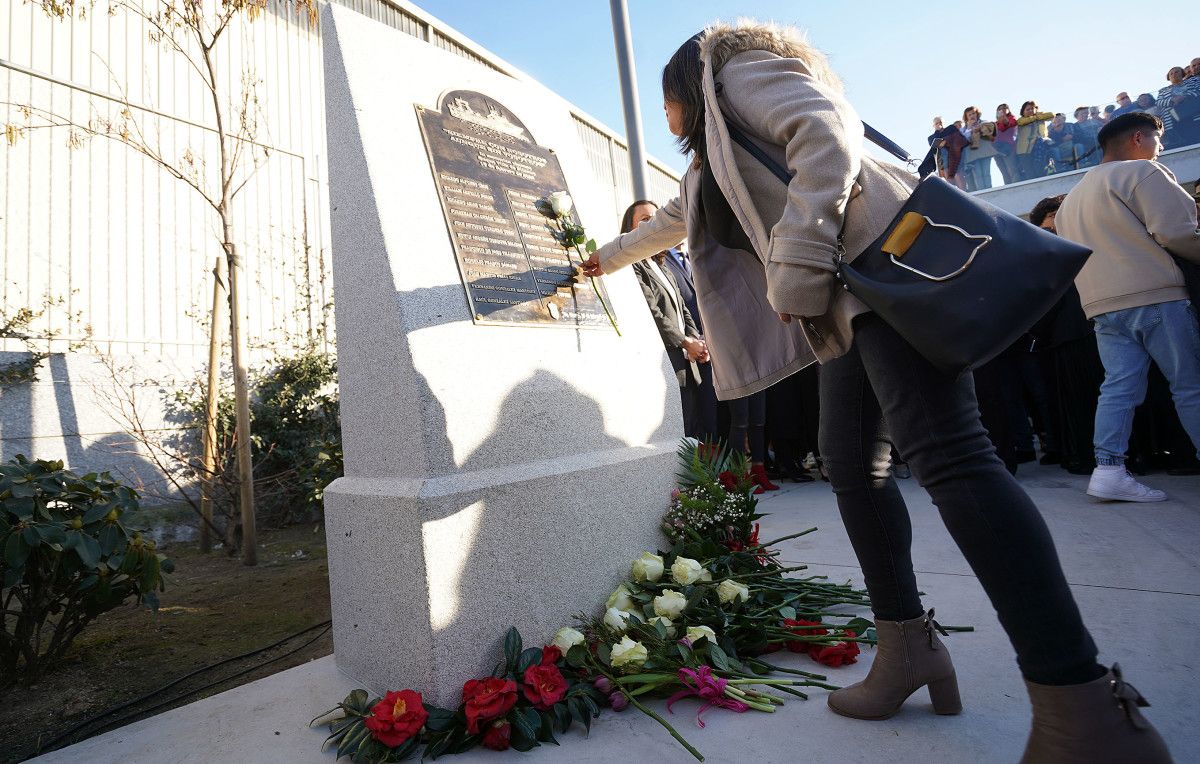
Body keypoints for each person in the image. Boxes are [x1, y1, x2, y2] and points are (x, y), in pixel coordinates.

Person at [582, 20, 1170, 762]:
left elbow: (824, 129)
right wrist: (597, 261)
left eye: (664, 105)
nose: (665, 121)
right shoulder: (714, 156)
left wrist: (795, 264)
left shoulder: (733, 75)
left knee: (953, 458)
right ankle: (908, 649)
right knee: (855, 470)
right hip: (850, 302)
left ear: (682, 86)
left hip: (884, 274)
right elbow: (673, 220)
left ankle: (1084, 707)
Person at [1055, 111, 1200, 503]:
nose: (1161, 147)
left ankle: (1108, 470)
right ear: (1139, 138)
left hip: (1102, 304)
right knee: (1191, 386)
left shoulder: (1071, 200)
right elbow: (1177, 232)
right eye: (1158, 138)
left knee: (1117, 389)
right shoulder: (1142, 172)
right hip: (1157, 293)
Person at [621, 200, 718, 444]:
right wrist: (686, 343)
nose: (651, 224)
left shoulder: (661, 264)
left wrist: (697, 341)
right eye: (644, 219)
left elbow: (683, 309)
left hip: (688, 362)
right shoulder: (633, 264)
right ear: (629, 228)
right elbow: (653, 312)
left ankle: (700, 482)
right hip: (667, 361)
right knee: (680, 432)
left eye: (654, 219)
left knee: (698, 429)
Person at [1157, 66, 1199, 147]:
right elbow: (1159, 102)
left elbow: (1197, 92)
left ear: (1182, 73)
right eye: (1171, 74)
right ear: (1169, 77)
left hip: (1194, 117)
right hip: (1173, 121)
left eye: (1177, 72)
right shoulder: (1163, 90)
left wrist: (1184, 97)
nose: (1174, 74)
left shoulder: (1192, 82)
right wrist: (1172, 100)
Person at [1015, 101, 1054, 180]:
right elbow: (1020, 122)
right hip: (1024, 150)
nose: (1030, 111)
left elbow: (1051, 115)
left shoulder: (1040, 117)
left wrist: (1038, 116)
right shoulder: (1021, 120)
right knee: (1030, 173)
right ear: (1023, 111)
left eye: (1032, 109)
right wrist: (1035, 117)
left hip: (1039, 148)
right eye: (1027, 109)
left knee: (1041, 169)